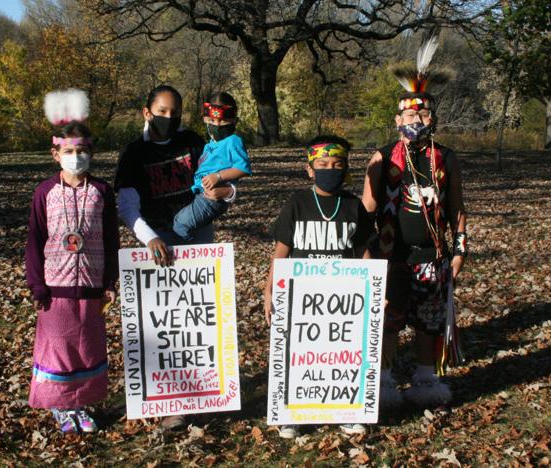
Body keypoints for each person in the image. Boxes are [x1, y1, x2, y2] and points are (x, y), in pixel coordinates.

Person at [114, 85, 235, 430]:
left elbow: (224, 182)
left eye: (175, 112)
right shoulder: (135, 153)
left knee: (198, 322)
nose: (169, 118)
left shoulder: (196, 142)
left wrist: (229, 193)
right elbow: (126, 206)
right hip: (159, 244)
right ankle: (170, 403)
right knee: (165, 325)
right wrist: (150, 238)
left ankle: (203, 393)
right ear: (147, 112)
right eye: (162, 111)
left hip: (198, 238)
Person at [362, 36, 467, 409]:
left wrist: (460, 249)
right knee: (387, 318)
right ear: (397, 119)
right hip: (390, 254)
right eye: (409, 116)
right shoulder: (383, 156)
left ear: (433, 118)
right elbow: (367, 208)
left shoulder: (446, 158)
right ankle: (385, 380)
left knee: (429, 320)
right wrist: (363, 251)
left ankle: (426, 378)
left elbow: (456, 208)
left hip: (432, 256)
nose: (416, 121)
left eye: (423, 115)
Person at [263, 135, 375, 439]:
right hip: (299, 296)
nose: (330, 169)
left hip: (343, 299)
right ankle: (291, 413)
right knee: (297, 355)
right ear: (310, 169)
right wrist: (269, 288)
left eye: (337, 164)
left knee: (339, 355)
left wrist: (375, 291)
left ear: (346, 168)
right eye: (323, 164)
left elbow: (365, 250)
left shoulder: (353, 206)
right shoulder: (297, 203)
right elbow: (281, 250)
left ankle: (345, 410)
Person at [25, 89, 120, 434]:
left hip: (92, 286)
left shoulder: (102, 192)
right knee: (58, 348)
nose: (76, 157)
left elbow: (111, 238)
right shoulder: (45, 192)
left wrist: (109, 281)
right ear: (56, 154)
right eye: (69, 152)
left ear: (90, 153)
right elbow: (35, 239)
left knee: (85, 347)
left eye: (82, 151)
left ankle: (79, 405)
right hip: (56, 287)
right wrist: (37, 285)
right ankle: (60, 406)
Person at [172, 92, 251, 241]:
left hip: (210, 198)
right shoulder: (210, 144)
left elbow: (243, 168)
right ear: (206, 119)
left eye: (223, 121)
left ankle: (188, 253)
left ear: (234, 121)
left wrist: (218, 177)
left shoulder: (233, 141)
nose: (217, 125)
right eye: (213, 120)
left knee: (180, 226)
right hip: (200, 196)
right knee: (179, 222)